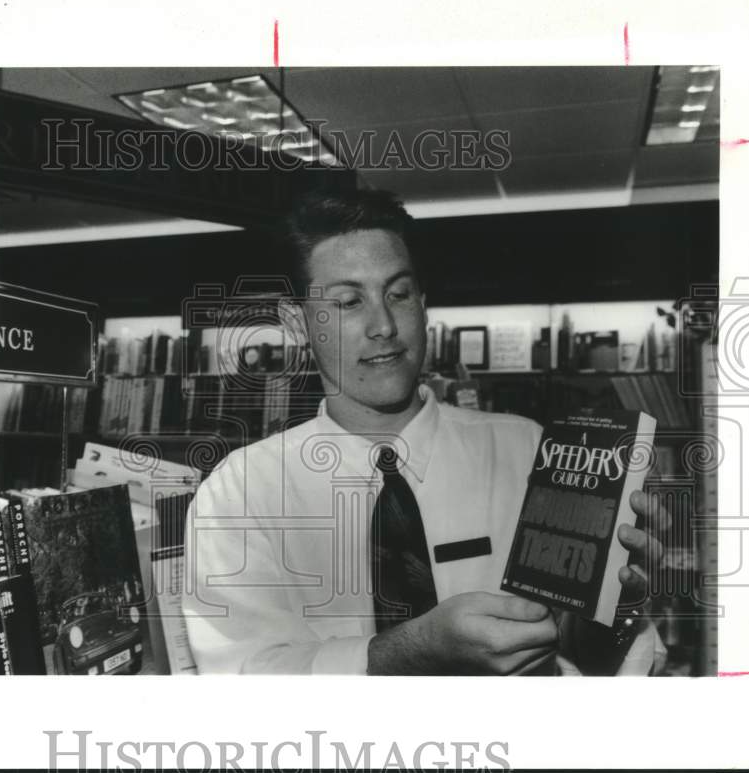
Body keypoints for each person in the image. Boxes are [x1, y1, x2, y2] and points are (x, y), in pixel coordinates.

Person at [181, 189, 668, 675]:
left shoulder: (527, 451)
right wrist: (409, 651)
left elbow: (581, 656)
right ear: (297, 322)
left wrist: (615, 607)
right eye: (349, 302)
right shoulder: (240, 492)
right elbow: (242, 679)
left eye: (398, 294)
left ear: (424, 303)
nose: (384, 326)